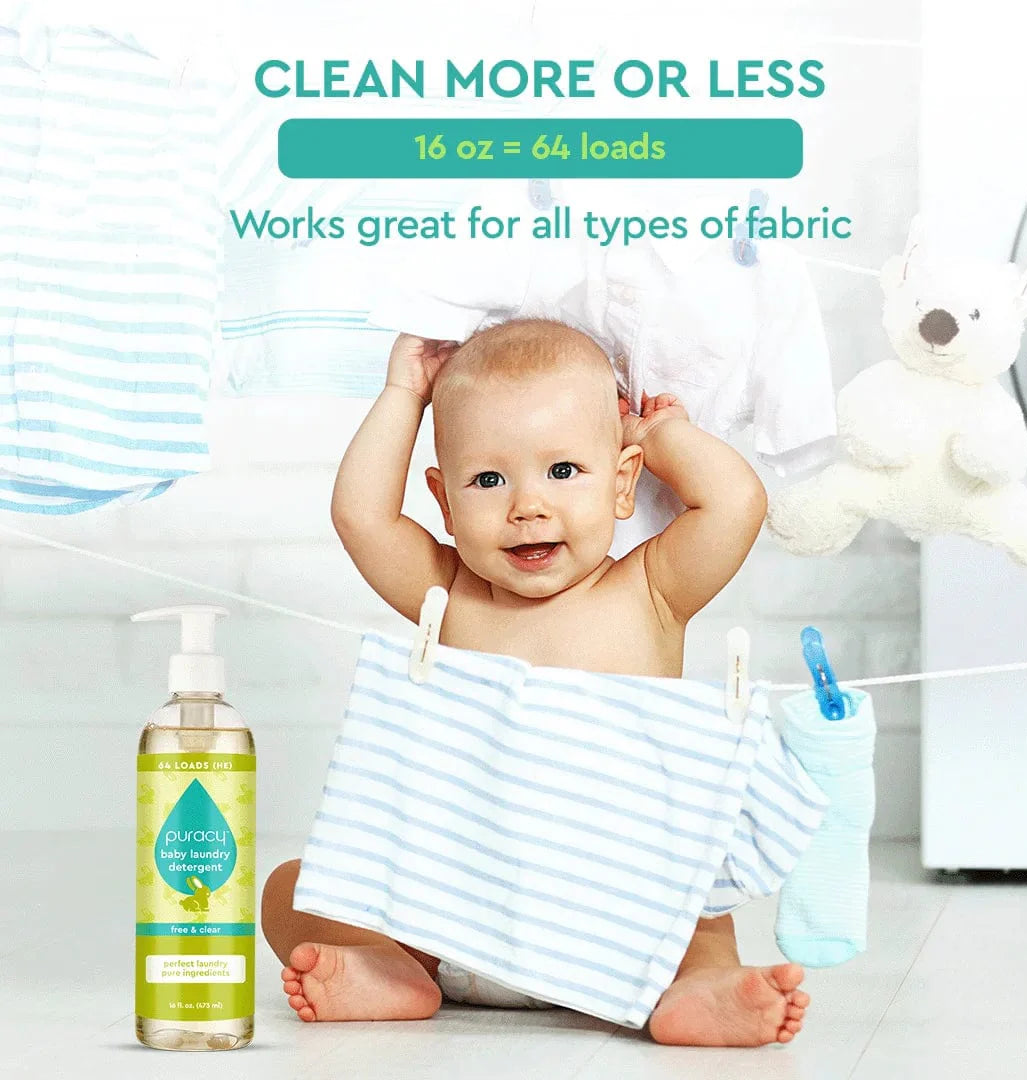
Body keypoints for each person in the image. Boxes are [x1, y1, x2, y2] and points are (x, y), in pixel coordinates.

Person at [261, 319, 810, 1046]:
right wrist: (404, 395)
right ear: (446, 503)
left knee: (699, 908)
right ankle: (394, 967)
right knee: (291, 889)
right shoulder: (446, 593)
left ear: (622, 482)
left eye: (562, 471)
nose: (527, 506)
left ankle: (697, 988)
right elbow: (361, 516)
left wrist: (662, 432)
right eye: (489, 480)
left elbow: (737, 503)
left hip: (618, 921)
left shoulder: (650, 590)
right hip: (453, 911)